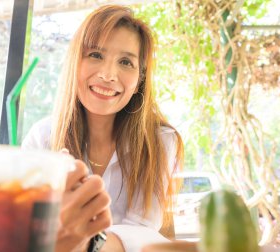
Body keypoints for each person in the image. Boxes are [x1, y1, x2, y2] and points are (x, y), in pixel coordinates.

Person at [22, 4, 184, 251]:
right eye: (96, 55)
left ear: (140, 77)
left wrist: (87, 243)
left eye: (125, 62)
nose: (108, 75)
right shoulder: (43, 138)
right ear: (75, 62)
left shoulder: (160, 142)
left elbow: (144, 232)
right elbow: (26, 227)